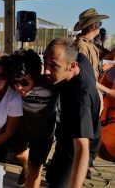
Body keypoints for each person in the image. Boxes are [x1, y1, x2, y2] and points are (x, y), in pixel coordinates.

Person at [44, 38, 101, 188]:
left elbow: (82, 148)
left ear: (72, 66)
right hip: (64, 135)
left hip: (78, 146)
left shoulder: (79, 99)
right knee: (51, 176)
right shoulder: (80, 59)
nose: (46, 70)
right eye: (45, 62)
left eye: (53, 66)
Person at [8, 49, 59, 187]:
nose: (18, 87)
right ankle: (25, 166)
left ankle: (29, 168)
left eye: (24, 82)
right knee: (16, 152)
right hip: (21, 128)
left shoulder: (52, 84)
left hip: (43, 133)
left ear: (36, 75)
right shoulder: (12, 86)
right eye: (15, 82)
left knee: (35, 170)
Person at [74, 8, 114, 177]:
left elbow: (109, 56)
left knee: (94, 135)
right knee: (86, 135)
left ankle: (86, 166)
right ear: (93, 25)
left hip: (92, 95)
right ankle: (81, 168)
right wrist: (108, 92)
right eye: (99, 23)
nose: (100, 27)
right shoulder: (80, 47)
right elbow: (85, 76)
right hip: (85, 96)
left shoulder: (90, 45)